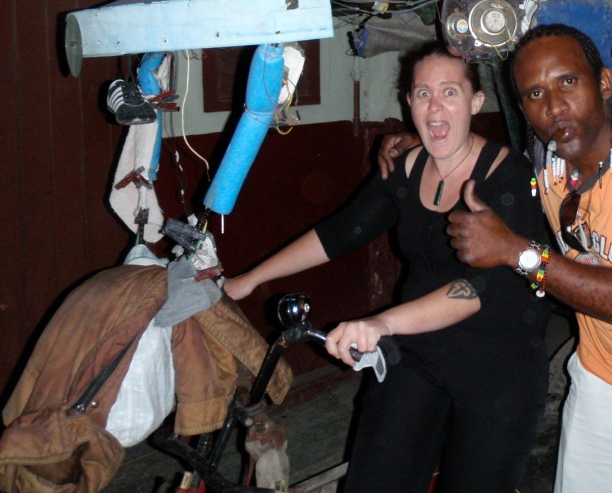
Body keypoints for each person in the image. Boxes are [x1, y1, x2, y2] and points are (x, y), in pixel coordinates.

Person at [380, 24, 612, 493]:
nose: (554, 106)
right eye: (535, 93)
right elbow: (478, 156)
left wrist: (516, 252)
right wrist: (416, 143)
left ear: (603, 83)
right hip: (604, 377)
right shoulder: (546, 157)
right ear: (522, 109)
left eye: (568, 82)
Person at [224, 41, 551, 493]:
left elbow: (476, 290)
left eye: (450, 92)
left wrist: (380, 322)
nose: (435, 107)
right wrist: (250, 278)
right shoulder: (406, 167)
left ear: (476, 102)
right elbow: (341, 232)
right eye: (422, 93)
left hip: (499, 362)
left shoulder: (508, 174)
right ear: (408, 103)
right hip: (418, 351)